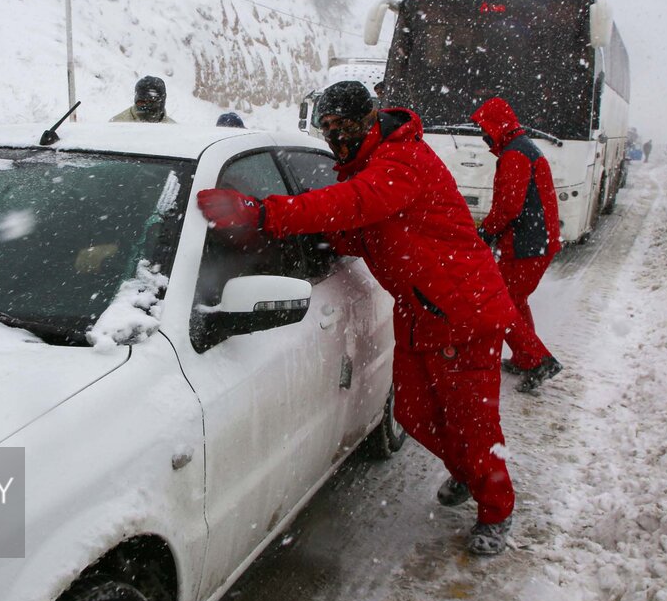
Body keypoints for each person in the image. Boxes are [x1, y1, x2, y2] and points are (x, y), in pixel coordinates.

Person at [197, 81, 521, 556]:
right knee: (412, 412)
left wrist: (265, 213)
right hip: (420, 311)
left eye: (343, 125)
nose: (335, 135)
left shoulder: (401, 161)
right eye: (326, 127)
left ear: (369, 119)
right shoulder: (368, 165)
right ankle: (471, 472)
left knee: (474, 424)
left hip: (463, 311)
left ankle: (496, 508)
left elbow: (352, 204)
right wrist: (302, 240)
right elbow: (362, 228)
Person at [471, 97, 562, 394]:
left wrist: (486, 231)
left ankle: (539, 360)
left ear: (497, 126)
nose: (483, 136)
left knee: (500, 304)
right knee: (515, 301)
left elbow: (509, 205)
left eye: (484, 129)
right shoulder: (522, 148)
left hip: (527, 244)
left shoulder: (515, 154)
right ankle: (525, 358)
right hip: (537, 241)